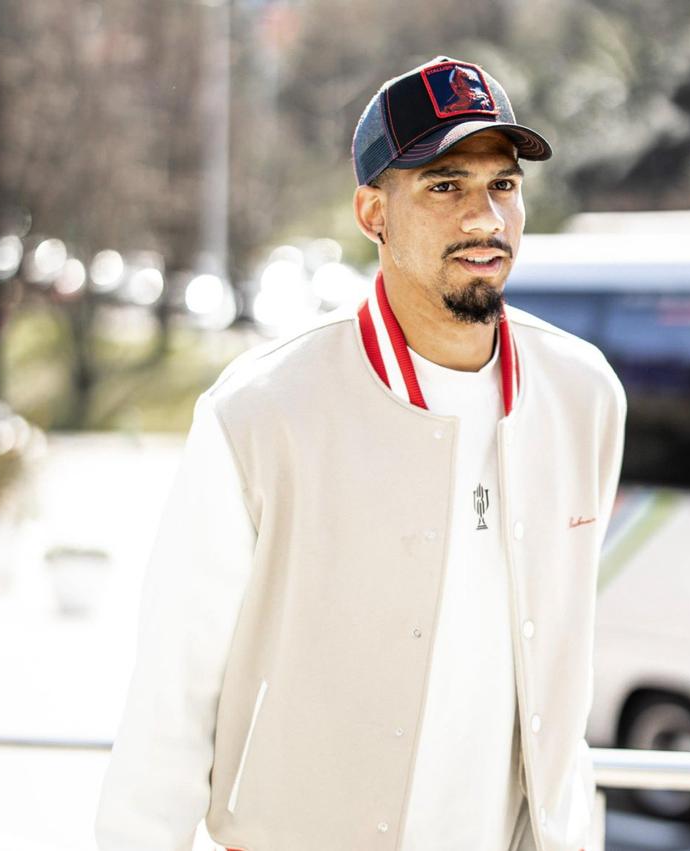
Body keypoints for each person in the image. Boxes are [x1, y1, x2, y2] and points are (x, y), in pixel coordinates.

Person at [95, 56, 626, 851]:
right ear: (373, 212)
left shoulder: (585, 396)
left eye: (503, 185)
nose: (485, 217)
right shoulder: (260, 412)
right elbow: (171, 701)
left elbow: (562, 689)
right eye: (445, 186)